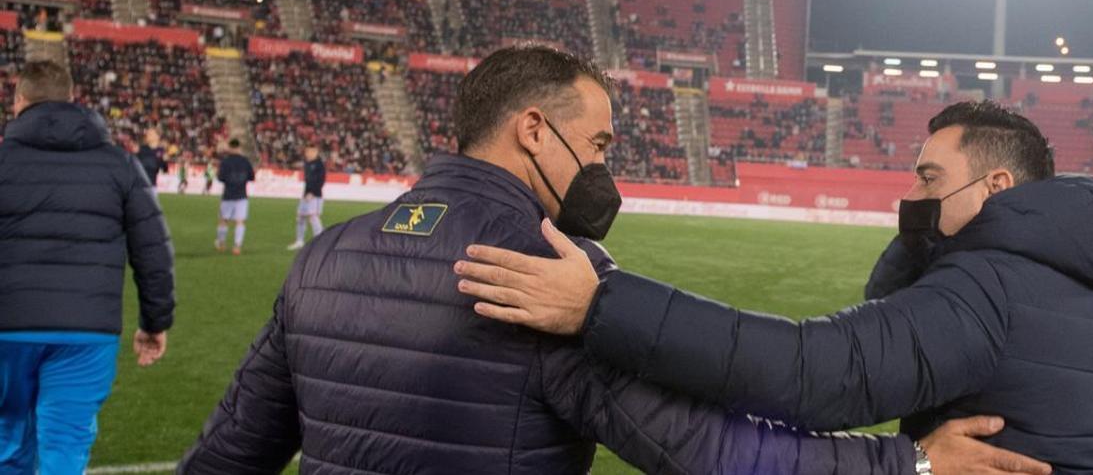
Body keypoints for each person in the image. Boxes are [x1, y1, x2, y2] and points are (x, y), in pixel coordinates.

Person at [179, 48, 1048, 474]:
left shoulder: (327, 255)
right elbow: (706, 449)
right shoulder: (548, 272)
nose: (602, 168)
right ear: (531, 130)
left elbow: (228, 457)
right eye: (594, 144)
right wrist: (913, 464)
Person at [456, 100, 1093, 474]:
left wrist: (600, 304)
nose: (910, 194)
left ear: (997, 186)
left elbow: (813, 375)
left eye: (928, 178)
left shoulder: (989, 286)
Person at [0, 61, 175, 473]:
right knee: (65, 448)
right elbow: (153, 250)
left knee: (8, 438)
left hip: (7, 328)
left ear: (18, 102)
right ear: (71, 100)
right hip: (86, 331)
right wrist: (154, 321)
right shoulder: (119, 164)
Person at [215, 139, 255, 255]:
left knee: (223, 220)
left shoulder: (225, 161)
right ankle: (237, 246)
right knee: (240, 221)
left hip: (228, 195)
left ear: (229, 147)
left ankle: (221, 243)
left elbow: (220, 178)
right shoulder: (245, 161)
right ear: (239, 147)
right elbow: (252, 177)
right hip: (242, 195)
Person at [287, 145, 325, 250]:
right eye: (307, 151)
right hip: (306, 194)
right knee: (300, 216)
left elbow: (321, 180)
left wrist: (312, 192)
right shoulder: (308, 163)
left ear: (316, 152)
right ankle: (299, 241)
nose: (307, 153)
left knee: (313, 217)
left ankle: (321, 241)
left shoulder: (319, 165)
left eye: (310, 152)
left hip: (314, 195)